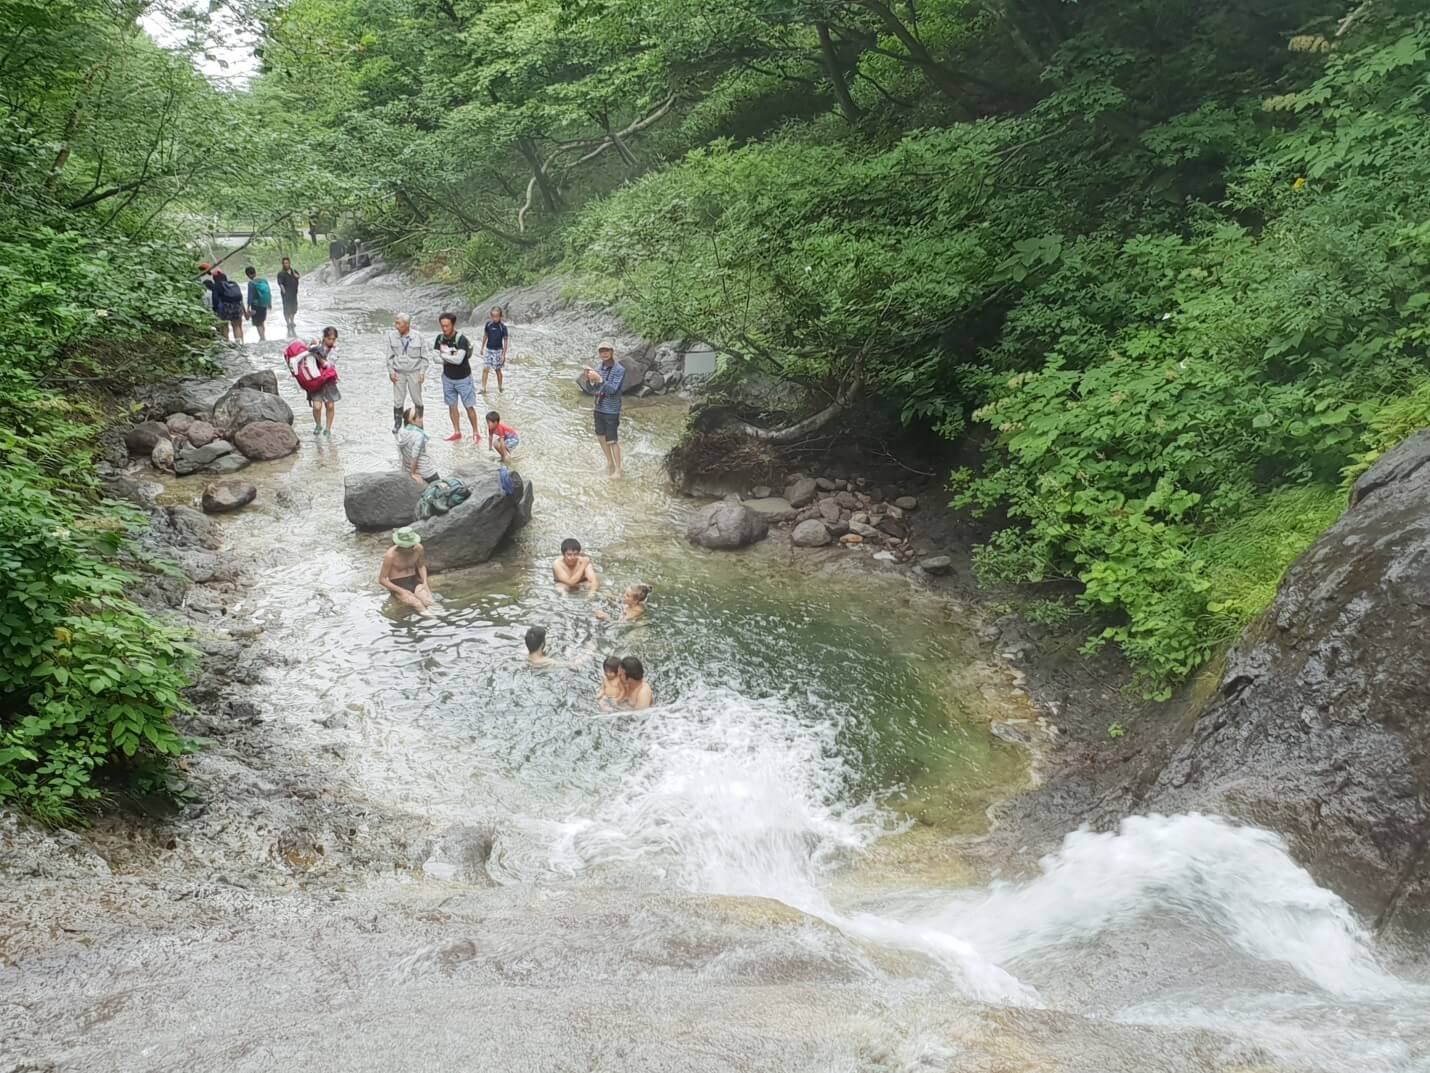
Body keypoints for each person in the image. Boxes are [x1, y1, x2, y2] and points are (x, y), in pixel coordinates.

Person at [581, 341, 624, 478]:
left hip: (612, 409)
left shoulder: (619, 369)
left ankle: (618, 469)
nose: (604, 353)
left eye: (606, 350)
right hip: (599, 407)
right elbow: (592, 390)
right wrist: (587, 378)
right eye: (601, 351)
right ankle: (609, 463)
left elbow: (613, 390)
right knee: (601, 437)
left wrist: (599, 379)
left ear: (612, 352)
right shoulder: (599, 367)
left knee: (612, 440)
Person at [435, 312, 479, 442]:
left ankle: (476, 433)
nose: (444, 329)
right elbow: (434, 357)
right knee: (452, 406)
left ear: (453, 325)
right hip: (447, 378)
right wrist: (449, 357)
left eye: (447, 326)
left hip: (464, 378)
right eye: (442, 326)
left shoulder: (461, 339)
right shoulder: (439, 338)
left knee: (469, 406)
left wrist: (443, 356)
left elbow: (459, 360)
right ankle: (457, 432)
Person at [386, 313, 429, 434]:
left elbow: (425, 357)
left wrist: (422, 372)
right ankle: (398, 423)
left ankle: (419, 422)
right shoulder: (391, 336)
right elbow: (389, 357)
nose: (396, 326)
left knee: (417, 399)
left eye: (398, 323)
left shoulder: (418, 336)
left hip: (414, 372)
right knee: (398, 400)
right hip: (398, 372)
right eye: (396, 322)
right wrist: (391, 372)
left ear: (407, 325)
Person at [379, 527, 436, 613]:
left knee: (430, 602)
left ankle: (445, 621)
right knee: (417, 604)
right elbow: (382, 579)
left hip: (414, 580)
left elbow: (421, 566)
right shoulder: (390, 555)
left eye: (413, 544)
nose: (413, 548)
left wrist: (425, 583)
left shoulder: (418, 548)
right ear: (401, 545)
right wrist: (402, 591)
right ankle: (431, 622)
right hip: (398, 584)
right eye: (410, 546)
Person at [299, 326, 341, 437]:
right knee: (316, 406)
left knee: (330, 406)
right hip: (314, 381)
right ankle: (318, 425)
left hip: (328, 381)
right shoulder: (316, 344)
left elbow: (328, 365)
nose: (331, 341)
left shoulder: (335, 350)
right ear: (324, 337)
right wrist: (313, 346)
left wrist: (318, 355)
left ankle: (328, 429)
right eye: (329, 339)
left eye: (333, 339)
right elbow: (305, 354)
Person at [397, 406, 440, 484]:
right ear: (411, 421)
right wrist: (413, 474)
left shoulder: (401, 432)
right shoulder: (418, 435)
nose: (421, 419)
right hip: (426, 472)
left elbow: (404, 453)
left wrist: (407, 470)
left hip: (406, 470)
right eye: (419, 417)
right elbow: (414, 456)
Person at [209, 268, 246, 343]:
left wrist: (215, 310)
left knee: (224, 326)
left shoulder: (217, 285)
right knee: (236, 325)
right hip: (237, 305)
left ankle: (227, 342)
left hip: (225, 308)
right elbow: (240, 296)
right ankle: (238, 342)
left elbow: (215, 300)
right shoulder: (233, 283)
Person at [481, 306, 509, 394]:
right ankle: (483, 388)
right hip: (489, 350)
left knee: (497, 370)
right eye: (493, 316)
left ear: (500, 317)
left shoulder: (503, 327)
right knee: (485, 369)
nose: (495, 318)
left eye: (497, 316)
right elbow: (485, 335)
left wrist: (503, 355)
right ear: (491, 316)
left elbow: (505, 341)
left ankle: (500, 387)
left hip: (498, 351)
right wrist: (482, 347)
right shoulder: (488, 324)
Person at [243, 266, 272, 341]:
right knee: (262, 321)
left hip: (255, 305)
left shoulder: (251, 283)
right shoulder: (264, 280)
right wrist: (269, 303)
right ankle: (263, 336)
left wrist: (248, 307)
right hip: (264, 304)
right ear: (255, 272)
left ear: (248, 274)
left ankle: (262, 338)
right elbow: (269, 291)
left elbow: (250, 296)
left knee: (258, 323)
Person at [277, 257, 300, 335]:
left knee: (294, 308)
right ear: (282, 264)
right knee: (287, 309)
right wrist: (284, 292)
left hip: (294, 293)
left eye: (287, 263)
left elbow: (298, 277)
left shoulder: (294, 271)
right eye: (284, 263)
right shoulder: (281, 274)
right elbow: (280, 284)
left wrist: (294, 274)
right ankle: (288, 323)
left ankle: (292, 321)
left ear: (289, 263)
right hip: (286, 294)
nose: (286, 264)